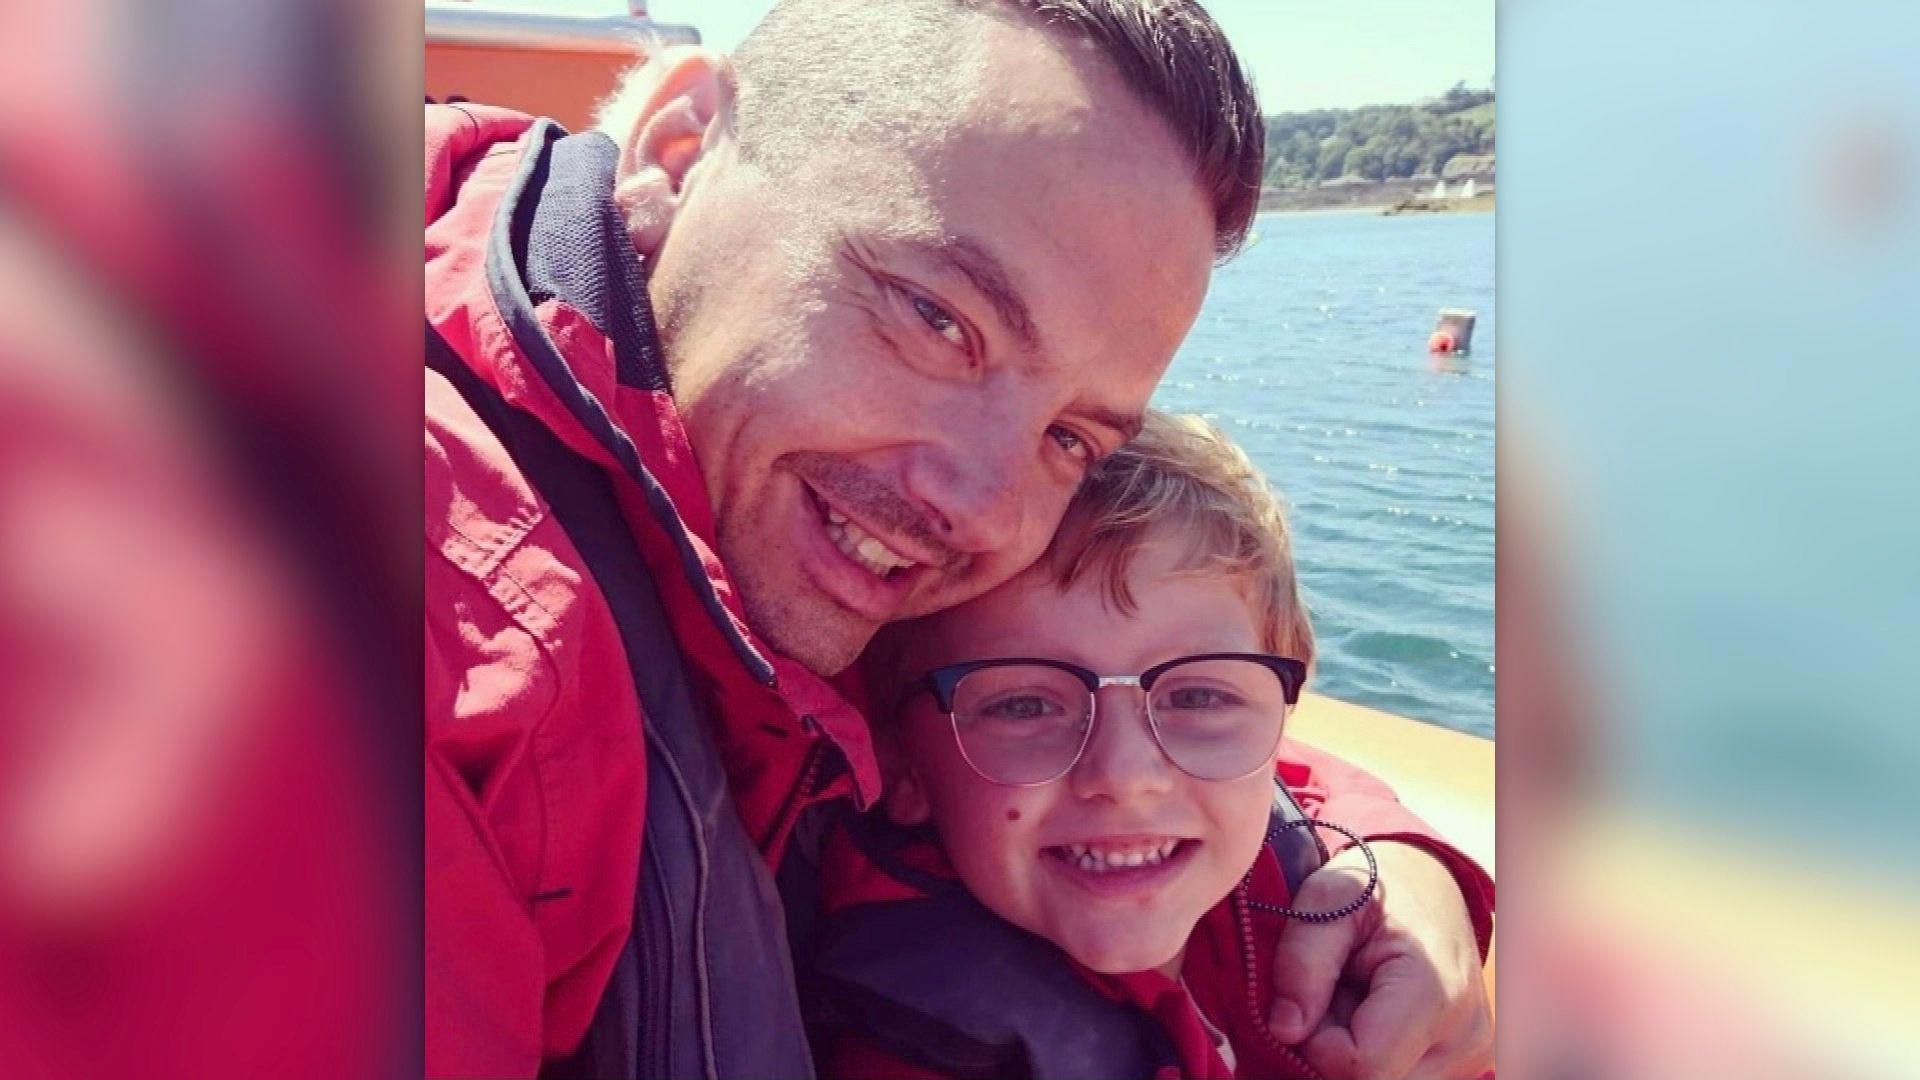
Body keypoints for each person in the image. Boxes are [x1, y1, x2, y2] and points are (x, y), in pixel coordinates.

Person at [424, 1, 1492, 1076]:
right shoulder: (410, 648)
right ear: (682, 145)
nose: (986, 513)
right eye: (939, 320)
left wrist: (1384, 865)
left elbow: (1136, 707)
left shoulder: (757, 525)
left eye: (1071, 435)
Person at [807, 413, 1493, 1078]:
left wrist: (1413, 862)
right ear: (900, 761)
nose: (1128, 775)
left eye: (1199, 696)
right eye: (1024, 705)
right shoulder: (921, 1043)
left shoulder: (1299, 874)